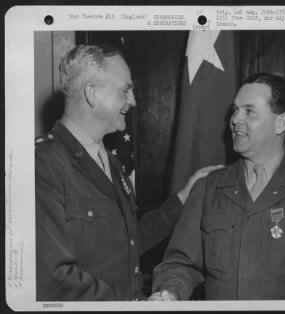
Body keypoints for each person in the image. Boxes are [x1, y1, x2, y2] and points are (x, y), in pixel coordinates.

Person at [150, 72, 285, 300]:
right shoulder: (208, 187)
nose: (235, 119)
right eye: (235, 110)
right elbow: (180, 262)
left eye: (249, 111)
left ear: (280, 123)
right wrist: (170, 292)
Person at [35, 44, 222, 301]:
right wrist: (131, 304)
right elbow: (53, 278)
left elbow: (127, 242)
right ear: (92, 94)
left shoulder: (107, 159)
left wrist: (181, 198)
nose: (133, 101)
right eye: (125, 90)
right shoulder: (43, 165)